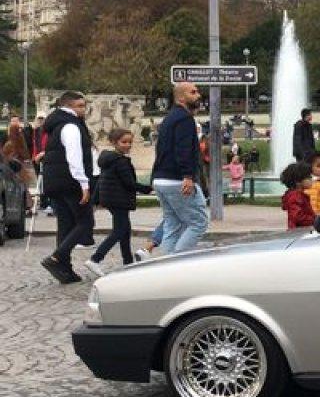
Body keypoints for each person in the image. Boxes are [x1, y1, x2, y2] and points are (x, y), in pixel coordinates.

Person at [39, 92, 95, 283]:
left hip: (55, 181)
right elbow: (74, 157)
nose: (83, 109)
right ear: (69, 106)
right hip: (71, 181)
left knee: (65, 225)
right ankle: (56, 258)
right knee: (85, 222)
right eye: (80, 106)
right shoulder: (70, 126)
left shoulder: (55, 125)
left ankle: (65, 269)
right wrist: (84, 183)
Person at [85, 128, 152, 276]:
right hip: (118, 199)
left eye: (130, 142)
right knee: (119, 231)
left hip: (112, 198)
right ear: (114, 143)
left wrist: (97, 198)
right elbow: (129, 183)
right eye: (124, 142)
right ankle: (95, 259)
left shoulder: (109, 159)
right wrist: (147, 189)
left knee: (125, 230)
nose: (127, 145)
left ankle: (128, 262)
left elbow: (103, 180)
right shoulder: (120, 161)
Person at [152, 81, 209, 255]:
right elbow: (183, 149)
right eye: (193, 92)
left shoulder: (169, 118)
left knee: (172, 224)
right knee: (198, 222)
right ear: (181, 97)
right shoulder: (185, 118)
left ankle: (164, 266)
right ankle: (177, 261)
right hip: (177, 180)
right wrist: (188, 176)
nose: (198, 95)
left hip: (161, 179)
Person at [280, 162, 316, 229]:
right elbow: (298, 217)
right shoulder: (295, 196)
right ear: (298, 181)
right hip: (299, 233)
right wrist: (315, 220)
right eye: (309, 177)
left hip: (301, 231)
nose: (312, 179)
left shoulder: (299, 195)